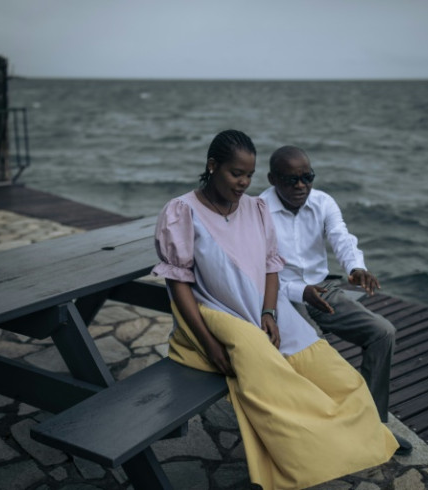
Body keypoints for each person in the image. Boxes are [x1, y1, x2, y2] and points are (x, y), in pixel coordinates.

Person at [152, 130, 397, 490]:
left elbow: (274, 264)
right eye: (237, 173)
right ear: (212, 166)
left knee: (342, 376)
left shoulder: (256, 208)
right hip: (223, 313)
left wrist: (269, 311)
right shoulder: (182, 211)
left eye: (248, 175)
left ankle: (366, 430)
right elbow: (179, 283)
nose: (243, 182)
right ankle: (308, 449)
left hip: (277, 303)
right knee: (275, 377)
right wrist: (208, 342)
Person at [259, 145, 413, 455]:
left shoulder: (322, 202)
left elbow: (341, 237)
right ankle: (321, 427)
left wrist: (356, 268)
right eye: (291, 180)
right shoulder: (258, 211)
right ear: (273, 179)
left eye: (307, 177)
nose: (301, 185)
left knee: (382, 333)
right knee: (314, 349)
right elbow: (260, 271)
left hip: (322, 288)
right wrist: (297, 293)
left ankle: (371, 422)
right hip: (283, 294)